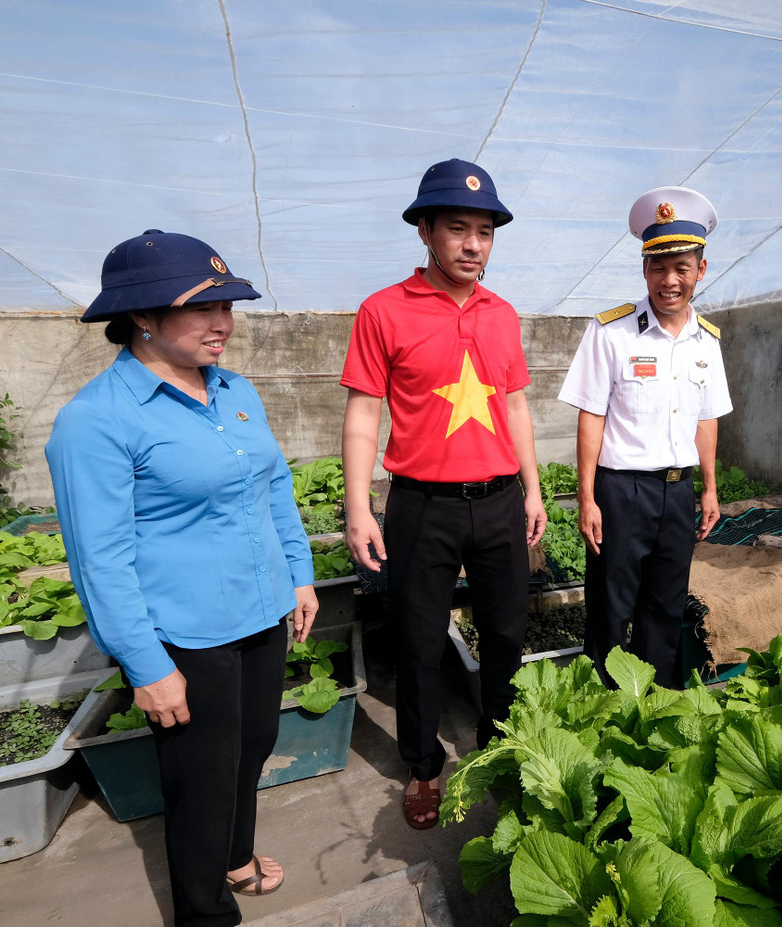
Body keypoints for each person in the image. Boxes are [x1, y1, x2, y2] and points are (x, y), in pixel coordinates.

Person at [46, 230, 319, 927]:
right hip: (186, 635)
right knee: (200, 782)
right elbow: (98, 559)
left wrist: (300, 574)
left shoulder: (236, 390)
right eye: (202, 308)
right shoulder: (96, 421)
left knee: (252, 745)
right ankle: (205, 912)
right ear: (141, 315)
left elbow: (275, 487)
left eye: (227, 305)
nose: (222, 322)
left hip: (260, 613)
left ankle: (235, 856)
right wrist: (145, 663)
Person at [339, 158, 546, 830]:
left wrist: (533, 489)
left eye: (485, 231)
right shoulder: (383, 310)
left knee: (508, 633)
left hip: (497, 500)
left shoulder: (502, 314)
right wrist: (357, 506)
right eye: (457, 227)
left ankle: (500, 747)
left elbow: (515, 407)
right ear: (424, 230)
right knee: (420, 640)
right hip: (420, 504)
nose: (473, 244)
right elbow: (364, 413)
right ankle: (424, 766)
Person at [558, 186, 732, 687]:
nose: (669, 280)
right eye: (658, 266)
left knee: (665, 604)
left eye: (681, 266)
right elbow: (590, 416)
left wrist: (710, 487)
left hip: (677, 493)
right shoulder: (611, 332)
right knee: (610, 607)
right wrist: (587, 498)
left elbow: (707, 419)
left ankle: (656, 709)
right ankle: (603, 711)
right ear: (643, 269)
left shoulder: (708, 342)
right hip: (621, 492)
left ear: (701, 268)